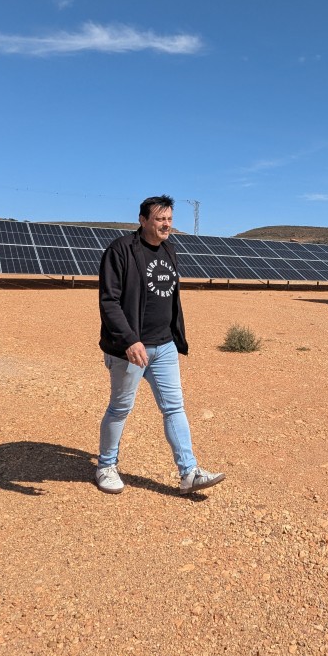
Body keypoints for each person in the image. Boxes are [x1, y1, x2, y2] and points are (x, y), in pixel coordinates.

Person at [95, 194, 225, 496]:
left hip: (164, 345)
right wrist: (129, 340)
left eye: (169, 218)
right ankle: (105, 465)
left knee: (174, 408)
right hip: (130, 348)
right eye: (159, 219)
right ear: (143, 221)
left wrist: (174, 334)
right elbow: (109, 301)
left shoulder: (169, 249)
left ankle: (189, 471)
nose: (166, 224)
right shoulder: (121, 251)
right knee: (120, 407)